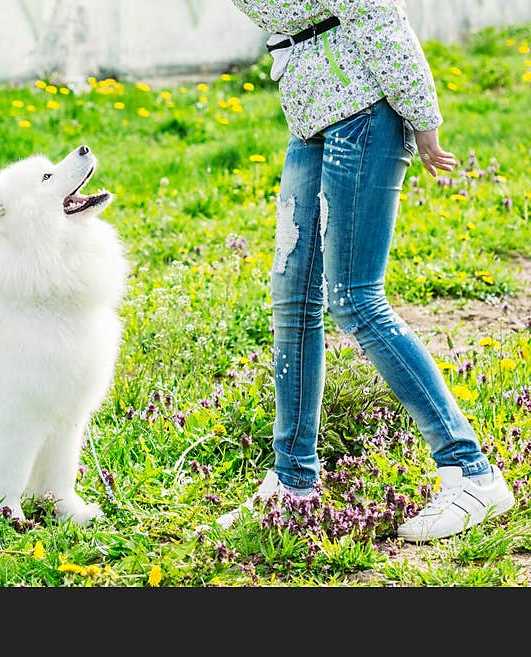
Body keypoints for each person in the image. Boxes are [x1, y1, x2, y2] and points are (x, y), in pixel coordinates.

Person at [216, 0, 515, 541]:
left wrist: (423, 118)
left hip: (365, 108)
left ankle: (471, 472)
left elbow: (376, 12)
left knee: (353, 297)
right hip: (311, 115)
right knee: (292, 297)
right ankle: (293, 483)